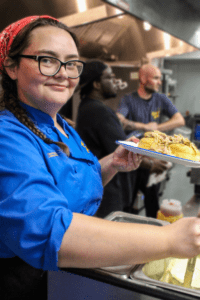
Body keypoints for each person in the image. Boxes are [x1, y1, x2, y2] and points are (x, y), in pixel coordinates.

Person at [0, 15, 200, 300]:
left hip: (66, 274)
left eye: (71, 63)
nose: (63, 73)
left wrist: (110, 164)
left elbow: (72, 183)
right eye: (47, 59)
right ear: (11, 66)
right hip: (25, 281)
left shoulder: (62, 126)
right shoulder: (7, 135)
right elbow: (46, 229)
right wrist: (171, 239)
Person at [117, 64, 185, 218]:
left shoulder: (161, 99)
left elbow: (179, 119)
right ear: (143, 79)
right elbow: (119, 119)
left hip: (153, 161)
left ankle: (152, 236)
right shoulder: (128, 100)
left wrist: (157, 128)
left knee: (152, 204)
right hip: (133, 160)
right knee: (127, 203)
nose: (159, 82)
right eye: (156, 78)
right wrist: (144, 126)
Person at [76, 60, 137, 217]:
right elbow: (125, 150)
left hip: (98, 190)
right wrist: (155, 160)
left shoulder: (85, 106)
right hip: (107, 193)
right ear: (96, 84)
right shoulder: (99, 111)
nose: (115, 82)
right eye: (109, 78)